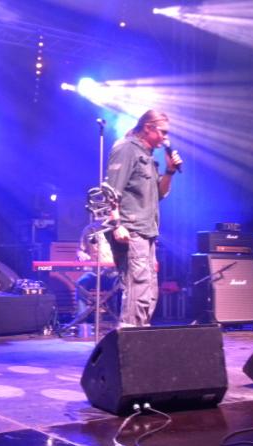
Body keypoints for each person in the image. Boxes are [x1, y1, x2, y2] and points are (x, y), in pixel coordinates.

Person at [106, 110, 182, 328]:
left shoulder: (148, 157)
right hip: (131, 229)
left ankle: (141, 333)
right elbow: (111, 191)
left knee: (148, 288)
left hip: (147, 230)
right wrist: (117, 224)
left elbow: (160, 194)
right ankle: (129, 334)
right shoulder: (126, 149)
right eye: (163, 132)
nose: (165, 138)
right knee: (136, 284)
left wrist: (170, 171)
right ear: (148, 128)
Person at [75, 222, 119, 324]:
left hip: (114, 272)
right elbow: (80, 250)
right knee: (81, 283)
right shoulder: (89, 230)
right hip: (94, 272)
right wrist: (81, 254)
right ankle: (82, 320)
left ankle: (117, 319)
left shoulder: (116, 228)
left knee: (119, 285)